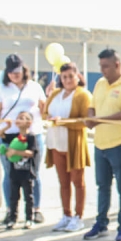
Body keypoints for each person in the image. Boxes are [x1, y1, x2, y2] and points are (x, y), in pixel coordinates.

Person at [83, 49, 121, 241]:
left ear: (117, 65)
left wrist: (98, 120)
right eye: (100, 66)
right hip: (100, 144)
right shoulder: (100, 83)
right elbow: (92, 105)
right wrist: (91, 116)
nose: (102, 70)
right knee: (102, 186)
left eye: (106, 66)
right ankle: (101, 223)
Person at [0, 54, 46, 224]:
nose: (15, 75)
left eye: (17, 71)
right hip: (9, 134)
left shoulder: (34, 87)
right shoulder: (2, 89)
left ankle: (35, 209)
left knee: (33, 173)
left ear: (23, 69)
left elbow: (44, 108)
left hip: (31, 134)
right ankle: (11, 210)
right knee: (10, 174)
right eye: (11, 72)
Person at [44, 63, 92, 232]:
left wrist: (64, 122)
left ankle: (79, 217)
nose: (68, 80)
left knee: (78, 182)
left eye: (71, 76)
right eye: (64, 77)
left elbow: (85, 121)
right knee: (63, 183)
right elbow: (44, 112)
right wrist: (50, 117)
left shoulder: (83, 95)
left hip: (73, 145)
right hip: (56, 144)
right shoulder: (56, 93)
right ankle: (67, 215)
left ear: (77, 76)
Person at [0, 112, 38, 230]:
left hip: (26, 172)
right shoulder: (14, 136)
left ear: (29, 123)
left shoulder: (31, 137)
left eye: (22, 118)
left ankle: (29, 219)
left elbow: (31, 153)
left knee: (28, 197)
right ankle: (12, 219)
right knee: (13, 197)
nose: (18, 120)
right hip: (14, 172)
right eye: (18, 118)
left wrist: (16, 152)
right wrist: (7, 126)